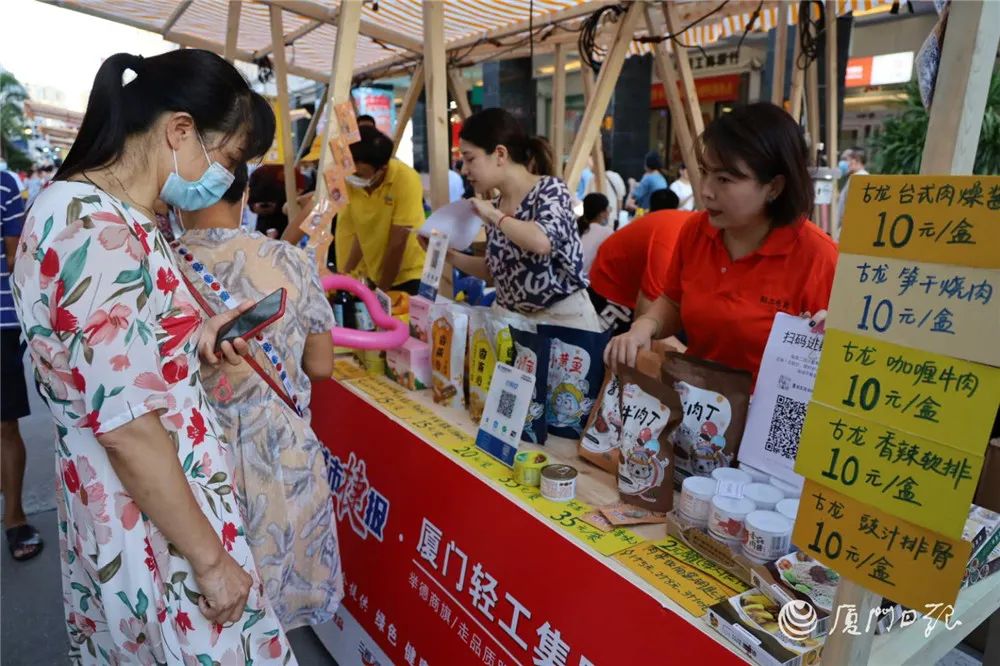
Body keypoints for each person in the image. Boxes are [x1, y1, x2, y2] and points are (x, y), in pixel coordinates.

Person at [12, 50, 295, 663]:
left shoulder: (113, 215)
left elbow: (114, 355)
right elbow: (128, 427)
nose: (224, 178)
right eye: (228, 159)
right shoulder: (95, 228)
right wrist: (211, 561)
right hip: (152, 520)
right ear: (180, 129)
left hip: (142, 505)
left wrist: (194, 339)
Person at [174, 158, 343, 630]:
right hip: (283, 461)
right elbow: (321, 366)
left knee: (214, 621)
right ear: (244, 196)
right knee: (276, 620)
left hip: (196, 468)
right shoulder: (290, 260)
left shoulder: (158, 264)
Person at [606, 103, 837, 383]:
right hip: (698, 407)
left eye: (724, 179)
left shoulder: (818, 256)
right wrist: (645, 325)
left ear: (774, 187)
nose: (705, 191)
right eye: (705, 172)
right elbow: (674, 301)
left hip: (765, 418)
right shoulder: (696, 231)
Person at [447, 108, 601, 331]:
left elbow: (541, 241)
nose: (464, 170)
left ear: (500, 154)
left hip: (563, 325)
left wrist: (493, 216)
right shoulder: (497, 206)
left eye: (470, 159)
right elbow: (495, 271)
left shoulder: (550, 189)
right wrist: (447, 255)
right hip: (516, 326)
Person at [288, 126, 426, 294]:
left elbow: (398, 243)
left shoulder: (405, 179)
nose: (353, 179)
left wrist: (381, 293)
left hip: (409, 275)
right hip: (374, 274)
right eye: (351, 173)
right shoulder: (347, 177)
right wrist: (280, 248)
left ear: (382, 169)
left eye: (359, 175)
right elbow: (316, 212)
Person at [2, 167, 43, 562]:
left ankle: (14, 517)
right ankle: (14, 520)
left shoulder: (6, 183)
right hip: (1, 321)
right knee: (5, 426)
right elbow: (15, 255)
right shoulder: (4, 182)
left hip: (1, 320)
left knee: (4, 424)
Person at [588, 188, 689, 336]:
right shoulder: (671, 243)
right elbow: (645, 318)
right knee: (617, 350)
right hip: (612, 290)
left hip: (639, 293)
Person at [835, 147, 869, 241]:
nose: (844, 163)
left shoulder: (859, 179)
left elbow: (852, 211)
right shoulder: (859, 177)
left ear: (855, 160)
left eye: (846, 159)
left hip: (849, 233)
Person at [577, 192, 612, 275]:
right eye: (608, 208)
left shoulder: (575, 224)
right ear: (601, 213)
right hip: (585, 281)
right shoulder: (606, 232)